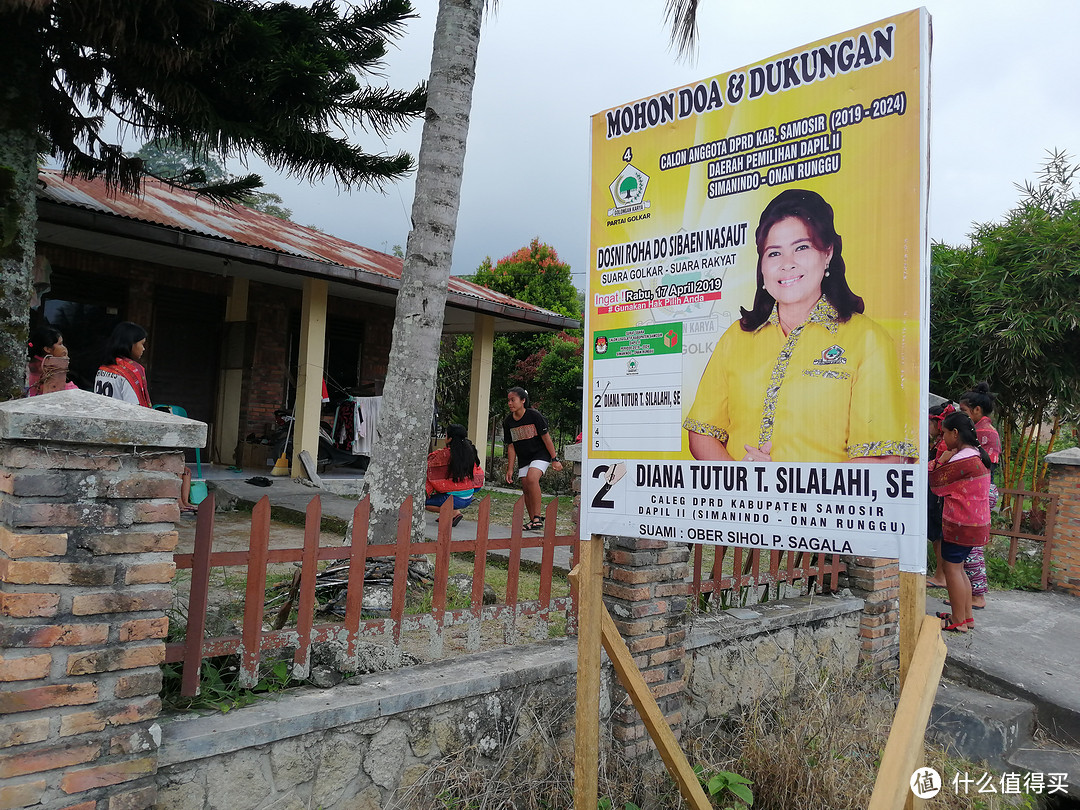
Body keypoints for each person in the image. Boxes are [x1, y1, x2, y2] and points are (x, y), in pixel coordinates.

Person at [683, 189, 916, 463]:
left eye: (801, 247)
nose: (787, 264)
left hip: (828, 505)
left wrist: (792, 493)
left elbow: (882, 458)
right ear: (762, 265)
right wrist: (742, 485)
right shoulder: (737, 336)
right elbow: (702, 433)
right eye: (774, 253)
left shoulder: (867, 339)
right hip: (740, 505)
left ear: (827, 253)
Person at [929, 411, 992, 633]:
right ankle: (966, 617)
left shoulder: (960, 459)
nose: (943, 438)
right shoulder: (976, 454)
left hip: (960, 522)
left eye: (945, 433)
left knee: (952, 570)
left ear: (955, 433)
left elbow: (935, 481)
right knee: (960, 568)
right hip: (975, 522)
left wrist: (940, 460)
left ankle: (957, 621)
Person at [950, 381, 1001, 610]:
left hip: (977, 491)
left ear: (976, 411)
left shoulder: (984, 433)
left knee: (972, 550)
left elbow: (981, 466)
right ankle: (967, 599)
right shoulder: (982, 431)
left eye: (964, 411)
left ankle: (977, 596)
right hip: (977, 490)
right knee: (969, 550)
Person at [503, 387, 563, 531]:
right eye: (509, 401)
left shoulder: (534, 416)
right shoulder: (508, 422)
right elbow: (511, 446)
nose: (510, 403)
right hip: (524, 458)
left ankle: (537, 517)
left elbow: (546, 438)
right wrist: (510, 468)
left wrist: (554, 458)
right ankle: (532, 521)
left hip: (540, 454)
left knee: (531, 478)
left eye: (513, 400)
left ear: (523, 401)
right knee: (526, 486)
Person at [425, 424, 485, 527]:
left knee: (424, 503)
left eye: (446, 434)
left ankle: (453, 512)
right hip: (468, 496)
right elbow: (478, 473)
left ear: (450, 438)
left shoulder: (444, 455)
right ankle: (450, 513)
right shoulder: (470, 451)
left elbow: (430, 470)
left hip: (454, 499)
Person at [925, 403, 955, 588]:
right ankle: (940, 574)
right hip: (935, 491)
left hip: (940, 493)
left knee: (939, 534)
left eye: (930, 423)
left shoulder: (945, 445)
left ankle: (940, 576)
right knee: (937, 535)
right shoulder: (938, 442)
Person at [94, 322, 151, 407]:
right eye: (142, 344)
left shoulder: (102, 369)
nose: (143, 349)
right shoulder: (131, 371)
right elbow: (134, 407)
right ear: (131, 343)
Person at [26, 326, 78, 396]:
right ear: (47, 349)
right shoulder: (49, 368)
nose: (64, 348)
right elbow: (62, 392)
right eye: (60, 344)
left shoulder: (32, 364)